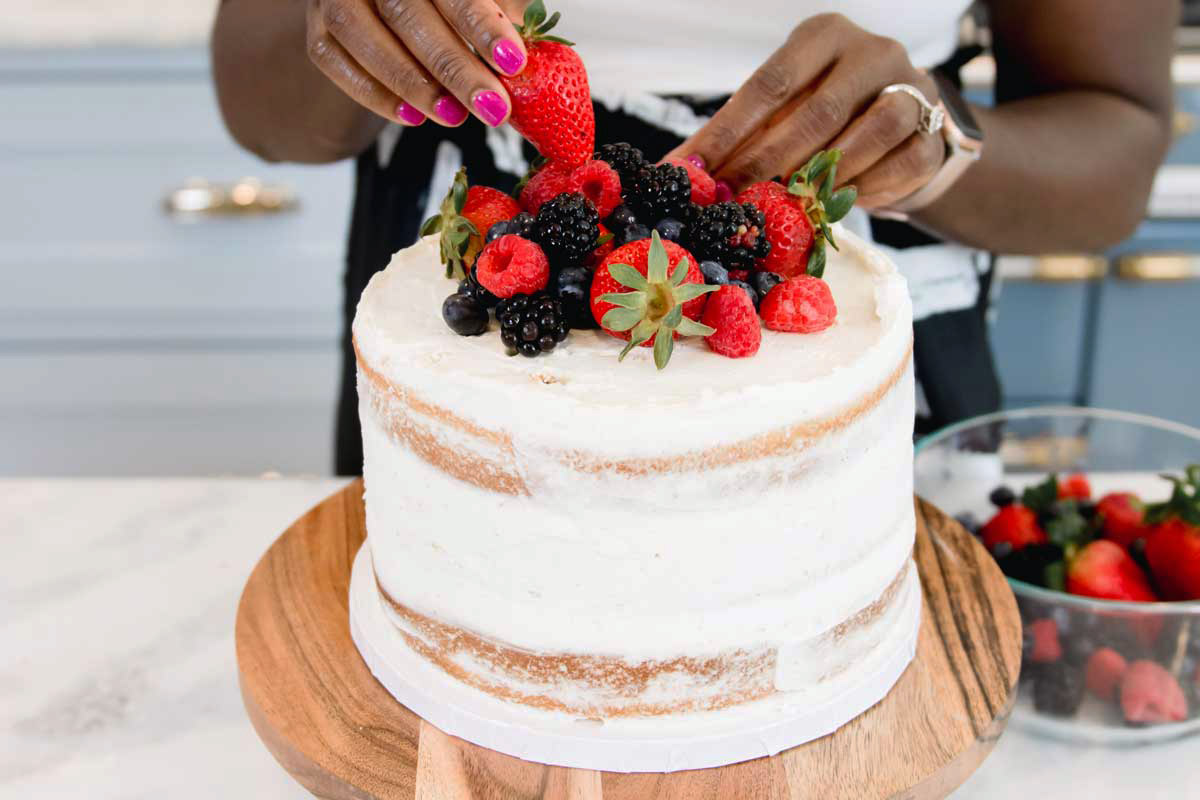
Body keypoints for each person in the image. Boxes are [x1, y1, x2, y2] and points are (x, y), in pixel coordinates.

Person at [212, 0, 1178, 475]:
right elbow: (257, 105)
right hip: (485, 230)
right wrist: (346, 24)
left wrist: (939, 148)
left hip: (842, 227)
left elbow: (1117, 146)